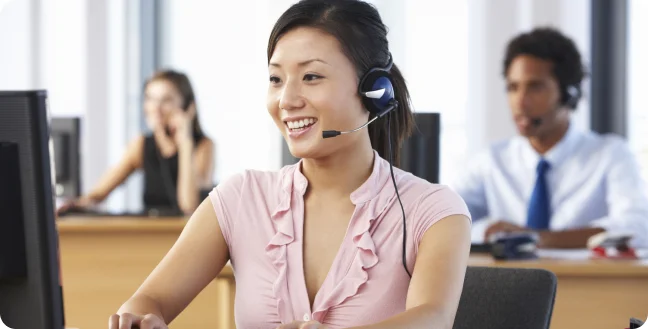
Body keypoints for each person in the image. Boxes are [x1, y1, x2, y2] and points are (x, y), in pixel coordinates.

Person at [108, 1, 472, 328]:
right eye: (276, 79)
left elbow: (432, 319)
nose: (286, 99)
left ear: (374, 92)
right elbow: (149, 300)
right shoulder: (241, 198)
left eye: (311, 76)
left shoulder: (435, 212)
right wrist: (138, 318)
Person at [452, 27, 648, 249]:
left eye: (535, 87)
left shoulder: (610, 155)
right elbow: (442, 218)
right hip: (513, 283)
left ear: (569, 93)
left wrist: (537, 238)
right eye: (513, 88)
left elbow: (636, 228)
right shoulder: (491, 160)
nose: (520, 102)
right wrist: (485, 230)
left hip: (586, 282)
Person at [57, 70, 215, 216]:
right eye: (150, 98)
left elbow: (189, 206)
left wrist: (186, 144)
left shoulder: (203, 146)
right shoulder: (141, 145)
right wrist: (72, 205)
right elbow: (98, 194)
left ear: (188, 107)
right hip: (151, 237)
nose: (156, 108)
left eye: (166, 100)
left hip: (188, 239)